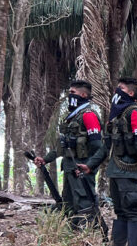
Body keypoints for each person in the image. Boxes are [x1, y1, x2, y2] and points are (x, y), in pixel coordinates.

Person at [80, 76, 137, 246]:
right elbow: (105, 147)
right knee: (120, 211)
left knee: (132, 210)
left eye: (121, 88)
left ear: (131, 93)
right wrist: (90, 165)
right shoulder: (115, 117)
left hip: (128, 170)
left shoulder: (136, 113)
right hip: (115, 171)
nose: (116, 92)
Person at [35, 80, 102, 229]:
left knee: (84, 203)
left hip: (82, 169)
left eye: (73, 93)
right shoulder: (71, 117)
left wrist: (89, 166)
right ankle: (74, 235)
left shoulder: (89, 115)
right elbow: (62, 147)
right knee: (69, 203)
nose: (69, 96)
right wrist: (45, 159)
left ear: (83, 95)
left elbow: (98, 145)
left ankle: (89, 236)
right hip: (69, 167)